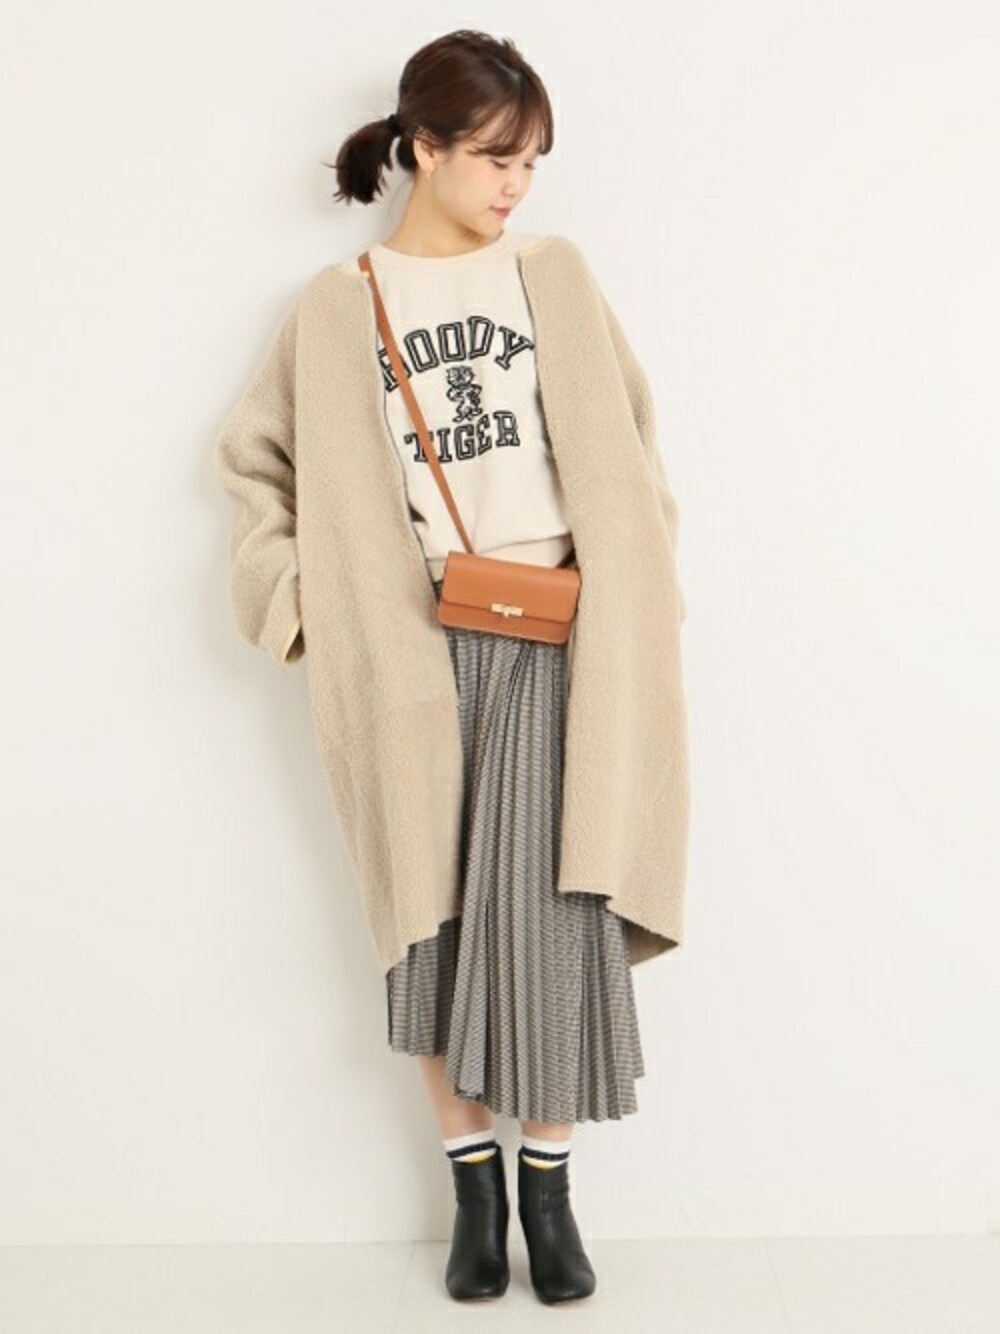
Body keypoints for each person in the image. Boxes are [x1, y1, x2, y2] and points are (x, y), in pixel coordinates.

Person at [216, 27, 688, 1308]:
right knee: (430, 918)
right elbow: (254, 466)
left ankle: (551, 1188)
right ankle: (474, 1190)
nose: (514, 186)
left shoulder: (553, 275)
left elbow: (634, 449)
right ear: (422, 148)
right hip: (412, 649)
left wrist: (645, 592)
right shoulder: (339, 305)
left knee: (559, 916)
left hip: (563, 638)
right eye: (493, 158)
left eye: (530, 162)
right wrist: (305, 610)